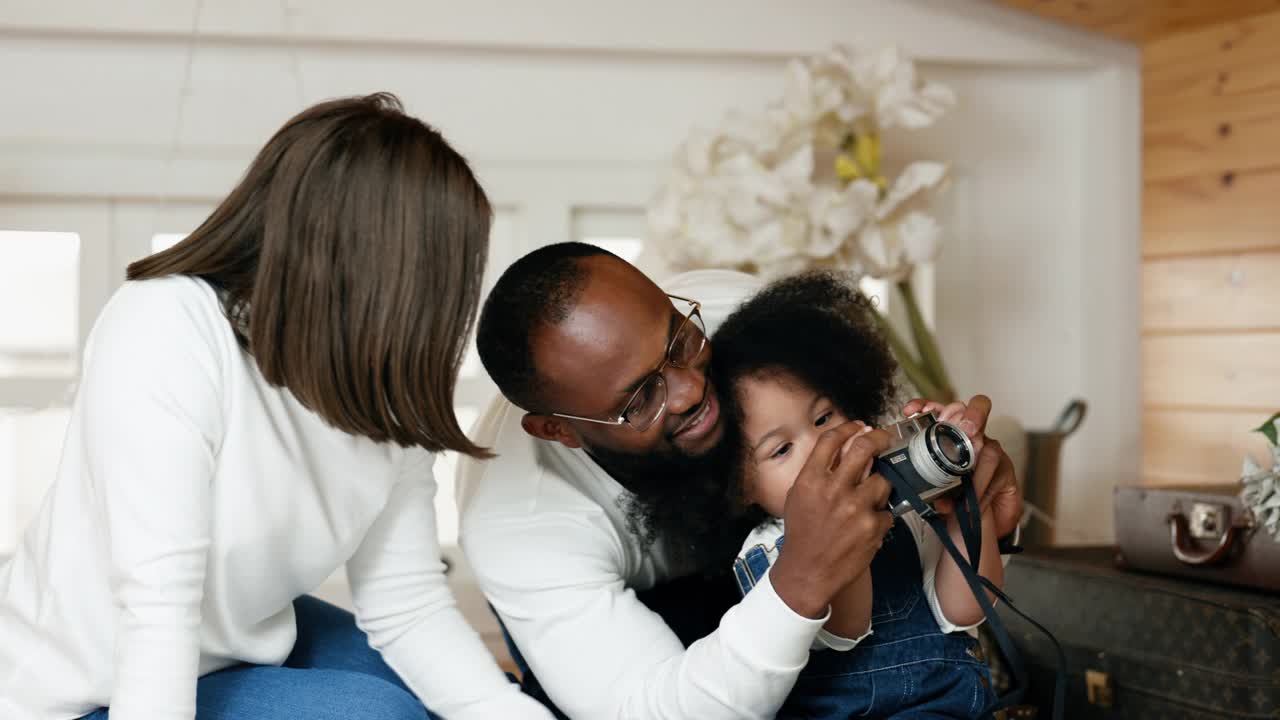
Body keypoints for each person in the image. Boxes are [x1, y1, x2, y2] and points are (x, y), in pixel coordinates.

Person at [0, 93, 553, 720]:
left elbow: (408, 603)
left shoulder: (382, 391)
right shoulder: (165, 325)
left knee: (428, 698)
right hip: (88, 691)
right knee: (373, 715)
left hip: (239, 648)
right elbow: (157, 608)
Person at [458, 242, 1024, 719]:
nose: (689, 391)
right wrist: (801, 579)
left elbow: (900, 458)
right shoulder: (520, 528)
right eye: (640, 398)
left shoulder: (741, 317)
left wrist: (967, 496)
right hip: (657, 639)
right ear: (560, 430)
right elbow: (655, 709)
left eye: (678, 341)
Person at [712, 271, 1008, 718]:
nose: (819, 448)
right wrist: (848, 515)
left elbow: (966, 609)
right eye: (782, 449)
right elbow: (846, 628)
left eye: (824, 418)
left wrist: (967, 495)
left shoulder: (907, 510)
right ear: (741, 489)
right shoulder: (767, 552)